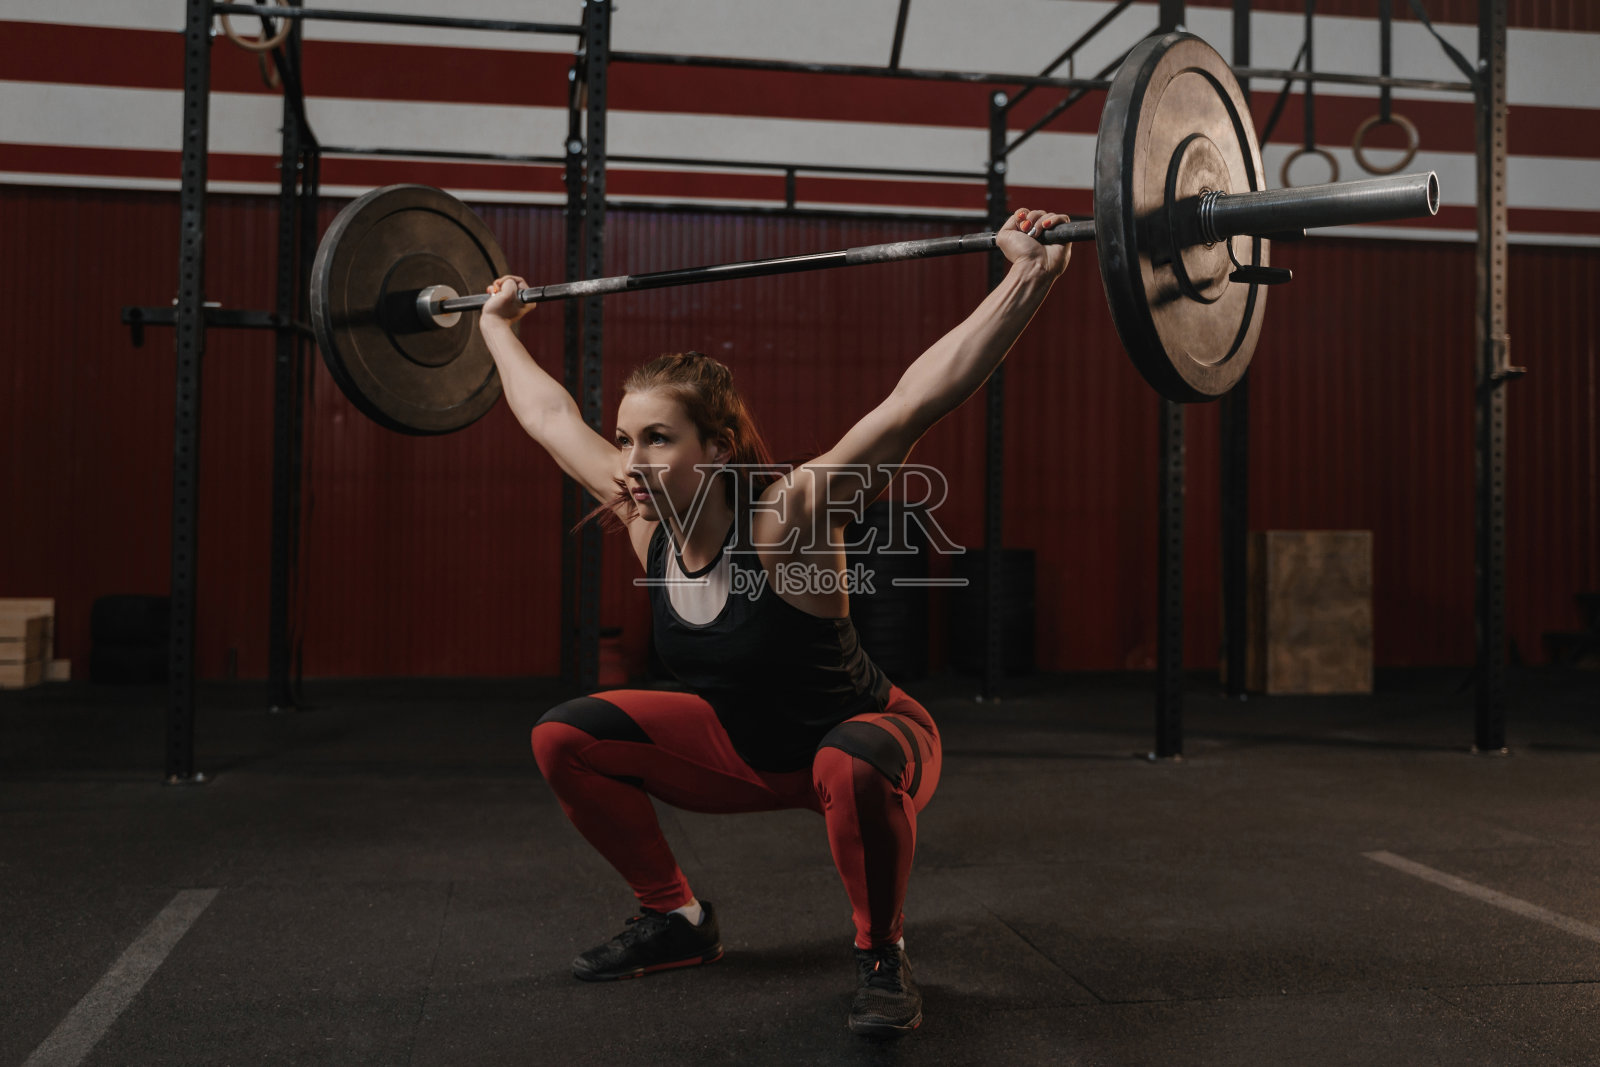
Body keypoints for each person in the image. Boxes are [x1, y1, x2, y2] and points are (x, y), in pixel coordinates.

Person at [479, 207, 1070, 1039]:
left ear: (716, 447)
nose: (631, 458)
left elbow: (915, 401)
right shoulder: (645, 512)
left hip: (872, 743)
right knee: (562, 737)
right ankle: (676, 920)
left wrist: (1027, 275)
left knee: (851, 757)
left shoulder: (785, 515)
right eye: (625, 437)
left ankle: (879, 954)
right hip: (746, 750)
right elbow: (546, 416)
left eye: (657, 438)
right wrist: (496, 326)